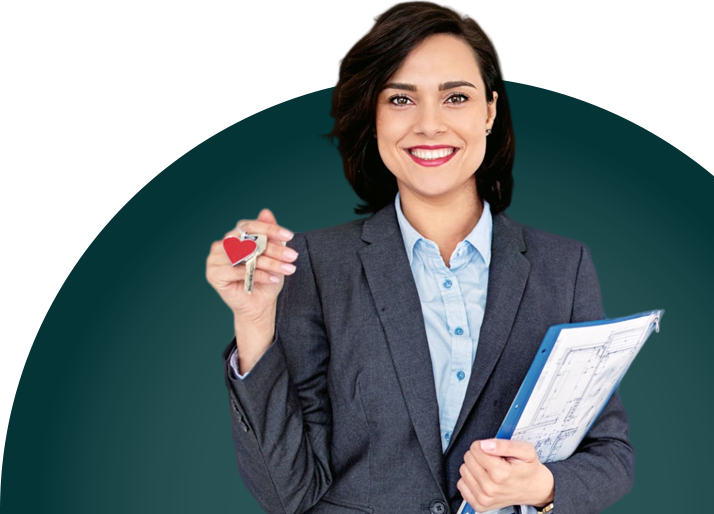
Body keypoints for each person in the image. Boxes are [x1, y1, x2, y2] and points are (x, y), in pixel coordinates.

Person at [205, 5, 634, 514]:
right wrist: (254, 322)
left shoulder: (563, 268)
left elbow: (610, 456)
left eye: (456, 97)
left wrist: (540, 487)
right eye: (402, 99)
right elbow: (287, 493)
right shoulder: (315, 265)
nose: (430, 125)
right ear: (375, 115)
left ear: (490, 112)